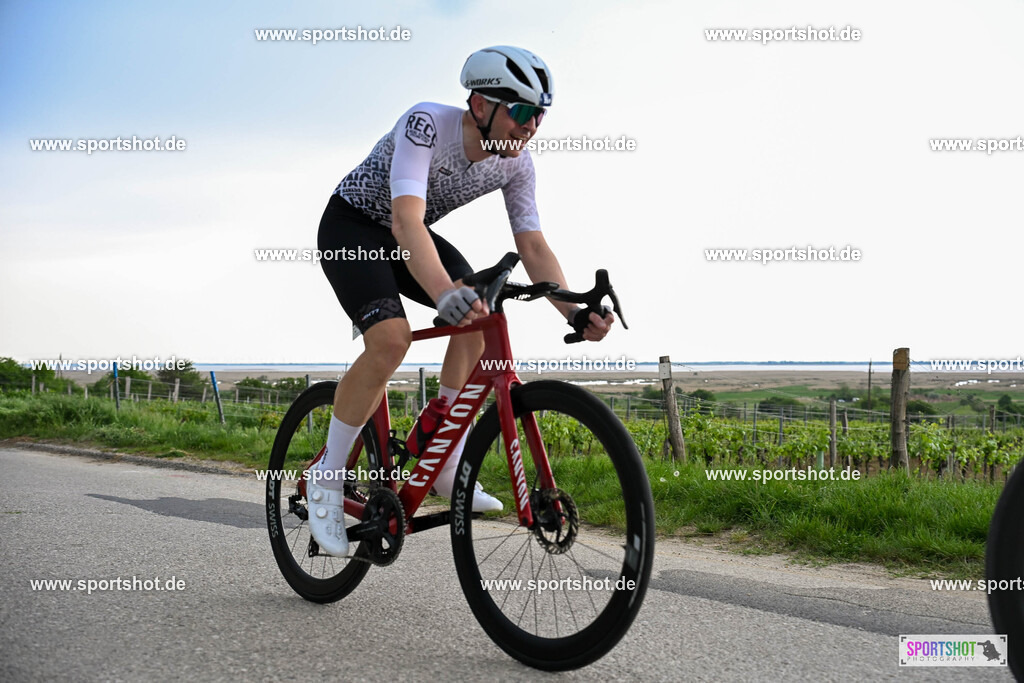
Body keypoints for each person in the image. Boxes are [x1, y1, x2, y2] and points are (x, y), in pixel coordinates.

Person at [307, 46, 615, 556]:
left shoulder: (517, 165)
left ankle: (443, 454)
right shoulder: (426, 124)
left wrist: (573, 309)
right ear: (480, 104)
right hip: (354, 228)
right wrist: (443, 292)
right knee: (391, 339)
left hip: (410, 235)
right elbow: (406, 220)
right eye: (520, 112)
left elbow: (533, 246)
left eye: (539, 114)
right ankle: (328, 478)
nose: (531, 126)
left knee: (480, 312)